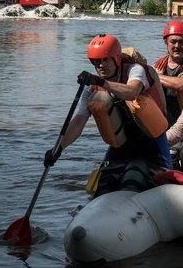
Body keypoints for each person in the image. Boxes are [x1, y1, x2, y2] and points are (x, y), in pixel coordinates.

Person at [43, 34, 171, 197]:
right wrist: (58, 148)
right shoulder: (92, 88)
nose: (100, 65)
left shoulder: (135, 70)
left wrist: (102, 82)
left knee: (160, 180)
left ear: (117, 59)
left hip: (153, 140)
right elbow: (79, 122)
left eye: (105, 60)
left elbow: (132, 92)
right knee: (102, 188)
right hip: (122, 143)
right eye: (96, 61)